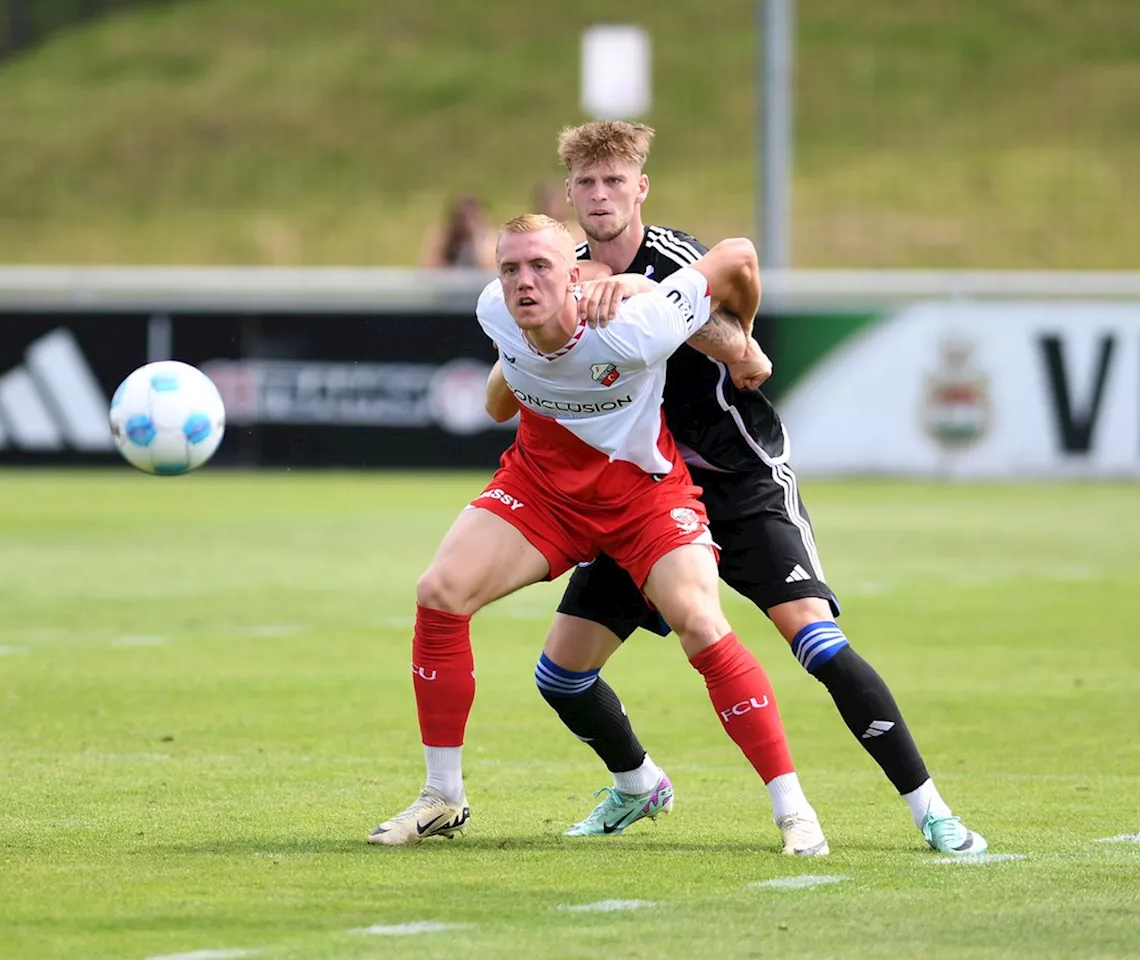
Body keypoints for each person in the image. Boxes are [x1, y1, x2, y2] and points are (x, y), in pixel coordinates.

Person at [484, 120, 987, 855]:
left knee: (815, 641)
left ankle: (931, 809)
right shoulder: (562, 271)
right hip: (644, 493)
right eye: (586, 184)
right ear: (568, 194)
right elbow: (516, 378)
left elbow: (742, 304)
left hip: (739, 476)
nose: (599, 196)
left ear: (640, 188)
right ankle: (636, 784)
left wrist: (699, 318)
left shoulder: (672, 258)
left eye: (614, 181)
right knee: (560, 676)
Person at [368, 214, 829, 857]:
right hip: (543, 490)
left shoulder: (640, 328)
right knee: (440, 591)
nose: (523, 283)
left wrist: (744, 336)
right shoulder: (493, 313)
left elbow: (736, 256)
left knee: (700, 621)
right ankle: (442, 796)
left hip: (641, 496)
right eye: (510, 269)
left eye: (541, 268)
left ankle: (794, 811)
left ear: (572, 273)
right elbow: (500, 397)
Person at [420, 194, 497, 269]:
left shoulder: (489, 240)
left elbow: (489, 268)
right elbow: (430, 269)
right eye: (462, 217)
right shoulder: (443, 238)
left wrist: (477, 236)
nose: (466, 223)